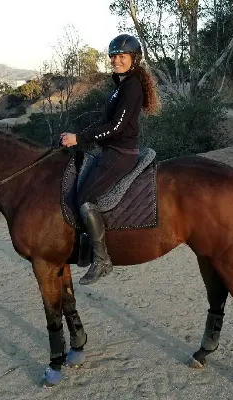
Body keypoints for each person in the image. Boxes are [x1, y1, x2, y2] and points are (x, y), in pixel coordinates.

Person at [60, 33, 160, 285]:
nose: (116, 60)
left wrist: (80, 138)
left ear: (134, 59)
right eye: (113, 56)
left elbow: (115, 127)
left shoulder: (131, 86)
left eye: (122, 56)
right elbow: (106, 123)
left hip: (121, 153)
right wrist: (76, 136)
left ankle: (102, 260)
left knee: (85, 199)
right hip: (110, 150)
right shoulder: (122, 84)